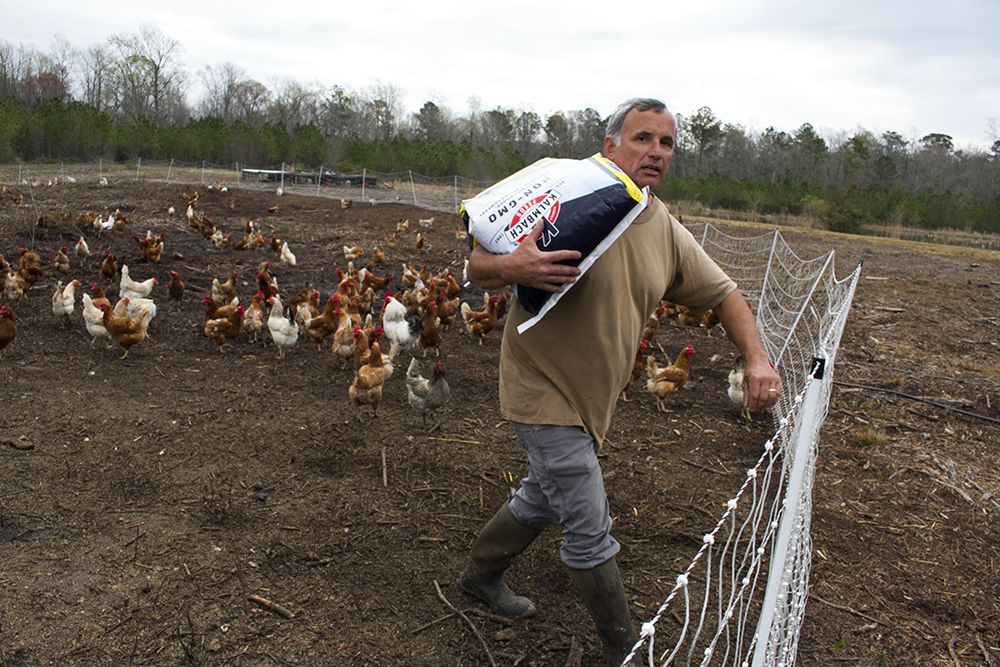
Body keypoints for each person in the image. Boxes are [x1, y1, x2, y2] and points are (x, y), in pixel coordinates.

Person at [458, 98, 782, 667]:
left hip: (594, 399)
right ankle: (623, 649)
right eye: (642, 139)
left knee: (542, 495)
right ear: (610, 147)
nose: (656, 152)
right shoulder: (568, 194)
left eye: (667, 143)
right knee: (588, 521)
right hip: (540, 385)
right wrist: (512, 268)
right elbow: (476, 262)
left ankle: (480, 574)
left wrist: (756, 358)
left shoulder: (663, 227)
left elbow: (725, 293)